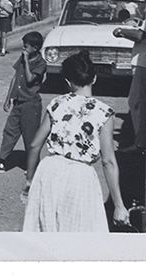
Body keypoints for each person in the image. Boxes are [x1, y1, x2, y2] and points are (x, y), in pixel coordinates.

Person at [22, 52, 130, 231]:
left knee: (46, 230)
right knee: (78, 232)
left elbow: (34, 145)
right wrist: (119, 205)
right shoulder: (103, 112)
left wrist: (29, 179)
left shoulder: (57, 103)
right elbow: (108, 161)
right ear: (94, 79)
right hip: (80, 177)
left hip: (49, 172)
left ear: (67, 81)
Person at [0, 31, 47, 174]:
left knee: (30, 136)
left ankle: (33, 165)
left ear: (35, 48)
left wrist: (26, 61)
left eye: (26, 47)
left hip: (31, 104)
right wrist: (8, 98)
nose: (23, 49)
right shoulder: (23, 58)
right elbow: (15, 78)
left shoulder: (40, 63)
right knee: (9, 131)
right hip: (18, 102)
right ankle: (1, 161)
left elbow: (30, 79)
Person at [114, 5, 146, 153]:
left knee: (136, 102)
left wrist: (122, 31)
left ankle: (140, 143)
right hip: (142, 59)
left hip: (143, 61)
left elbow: (142, 35)